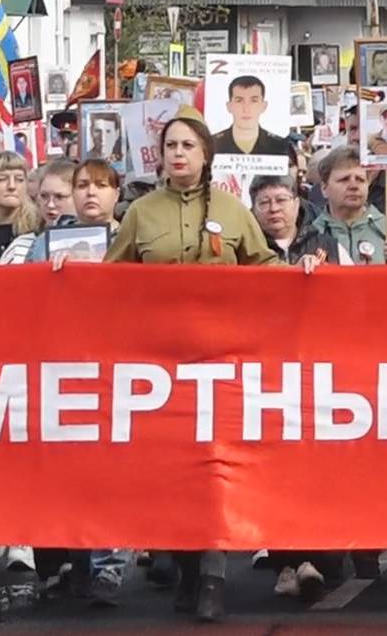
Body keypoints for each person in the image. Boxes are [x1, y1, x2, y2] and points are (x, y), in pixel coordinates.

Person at [83, 108, 301, 623]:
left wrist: (301, 272)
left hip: (222, 359)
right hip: (162, 366)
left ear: (205, 154)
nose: (178, 154)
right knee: (175, 474)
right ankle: (185, 568)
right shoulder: (141, 213)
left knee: (214, 470)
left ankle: (211, 575)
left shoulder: (229, 207)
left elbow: (264, 265)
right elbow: (112, 280)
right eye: (170, 146)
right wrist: (67, 276)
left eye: (187, 146)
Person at [301, 146, 387, 265]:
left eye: (360, 179)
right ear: (324, 188)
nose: (354, 186)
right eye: (344, 179)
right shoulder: (309, 235)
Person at [213, 75, 293, 158]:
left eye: (254, 101)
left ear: (264, 106)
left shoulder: (280, 145)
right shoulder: (212, 144)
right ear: (229, 106)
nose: (246, 109)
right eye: (239, 100)